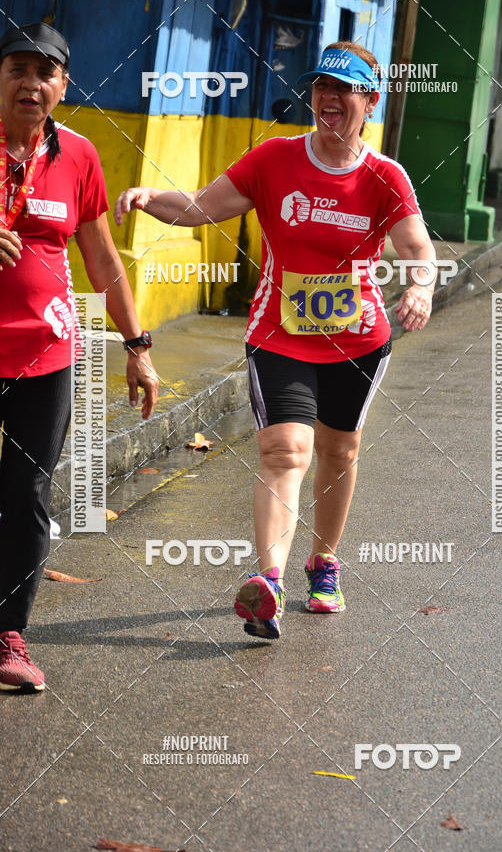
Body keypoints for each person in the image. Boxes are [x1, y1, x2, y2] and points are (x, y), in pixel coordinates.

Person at [114, 41, 436, 641]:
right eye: (321, 87)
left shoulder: (383, 175)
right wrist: (150, 198)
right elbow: (202, 208)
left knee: (339, 452)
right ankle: (269, 584)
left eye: (344, 90)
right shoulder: (273, 160)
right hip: (280, 334)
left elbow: (418, 249)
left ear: (369, 100)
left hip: (357, 340)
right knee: (285, 451)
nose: (329, 99)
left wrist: (420, 285)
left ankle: (325, 563)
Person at [0, 23, 158, 692]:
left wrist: (138, 345)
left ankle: (9, 634)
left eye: (47, 72)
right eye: (19, 69)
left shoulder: (79, 156)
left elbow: (101, 259)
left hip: (45, 352)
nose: (32, 83)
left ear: (63, 86)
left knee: (28, 492)